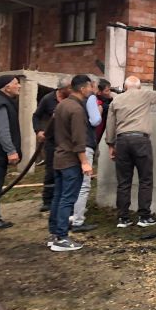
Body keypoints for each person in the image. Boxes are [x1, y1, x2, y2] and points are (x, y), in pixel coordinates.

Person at [105, 76, 156, 228]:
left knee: (123, 181)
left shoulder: (116, 101)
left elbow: (110, 124)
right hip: (140, 141)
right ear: (138, 87)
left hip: (122, 141)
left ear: (125, 87)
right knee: (145, 179)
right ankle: (144, 216)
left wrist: (111, 145)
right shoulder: (145, 94)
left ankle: (123, 218)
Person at [48, 75, 94, 252]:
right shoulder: (76, 109)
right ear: (82, 89)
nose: (91, 90)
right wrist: (85, 162)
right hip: (71, 161)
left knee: (58, 197)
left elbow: (49, 131)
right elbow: (78, 139)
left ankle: (54, 234)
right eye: (90, 87)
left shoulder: (62, 105)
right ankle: (62, 237)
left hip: (59, 157)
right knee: (68, 199)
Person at [32, 75, 72, 212]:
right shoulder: (48, 99)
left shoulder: (72, 100)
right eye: (69, 88)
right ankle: (47, 200)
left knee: (66, 170)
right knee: (50, 170)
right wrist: (38, 131)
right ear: (62, 89)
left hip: (67, 141)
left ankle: (61, 198)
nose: (71, 90)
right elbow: (36, 115)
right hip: (51, 140)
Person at [70, 81, 103, 232]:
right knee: (84, 184)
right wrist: (99, 111)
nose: (93, 89)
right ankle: (78, 220)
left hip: (72, 147)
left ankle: (72, 214)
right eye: (92, 86)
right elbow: (95, 120)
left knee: (73, 182)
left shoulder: (68, 102)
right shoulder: (90, 99)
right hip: (85, 145)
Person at [0, 75, 22, 229]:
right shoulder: (1, 104)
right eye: (16, 83)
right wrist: (11, 151)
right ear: (7, 87)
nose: (19, 86)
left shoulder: (3, 101)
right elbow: (2, 131)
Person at [94, 78, 112, 143]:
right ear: (99, 92)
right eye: (107, 91)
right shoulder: (99, 103)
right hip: (94, 138)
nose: (109, 92)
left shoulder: (105, 101)